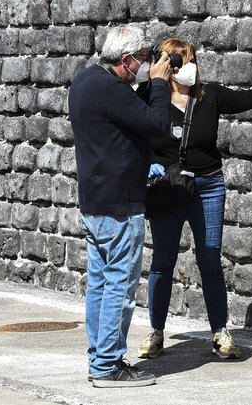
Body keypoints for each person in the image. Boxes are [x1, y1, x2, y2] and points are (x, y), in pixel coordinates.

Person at [136, 37, 252, 360]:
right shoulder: (151, 95)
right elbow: (129, 130)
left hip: (208, 185)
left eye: (191, 58)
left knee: (210, 260)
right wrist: (146, 163)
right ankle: (156, 332)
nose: (188, 66)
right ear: (167, 64)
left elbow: (243, 100)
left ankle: (219, 332)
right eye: (181, 60)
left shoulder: (208, 94)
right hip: (167, 186)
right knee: (162, 262)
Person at [68, 25, 174, 387]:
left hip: (95, 203)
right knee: (120, 288)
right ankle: (108, 366)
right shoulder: (112, 88)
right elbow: (159, 125)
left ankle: (99, 359)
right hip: (120, 207)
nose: (148, 64)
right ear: (126, 60)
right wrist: (159, 84)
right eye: (144, 59)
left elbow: (126, 114)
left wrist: (148, 81)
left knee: (99, 284)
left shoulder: (86, 80)